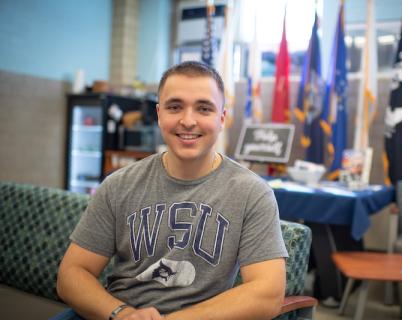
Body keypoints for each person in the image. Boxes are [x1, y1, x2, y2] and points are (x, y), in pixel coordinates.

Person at [56, 61, 288, 320]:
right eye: (175, 107)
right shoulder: (118, 185)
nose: (188, 121)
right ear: (159, 114)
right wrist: (122, 314)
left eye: (203, 108)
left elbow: (268, 294)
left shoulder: (252, 194)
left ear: (221, 118)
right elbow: (71, 274)